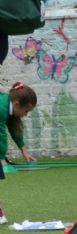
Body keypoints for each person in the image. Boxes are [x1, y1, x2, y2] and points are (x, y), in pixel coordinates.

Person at [0, 82, 37, 224]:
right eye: (26, 111)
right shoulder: (2, 107)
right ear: (16, 103)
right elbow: (0, 134)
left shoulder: (7, 107)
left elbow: (14, 129)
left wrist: (23, 149)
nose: (26, 115)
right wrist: (1, 158)